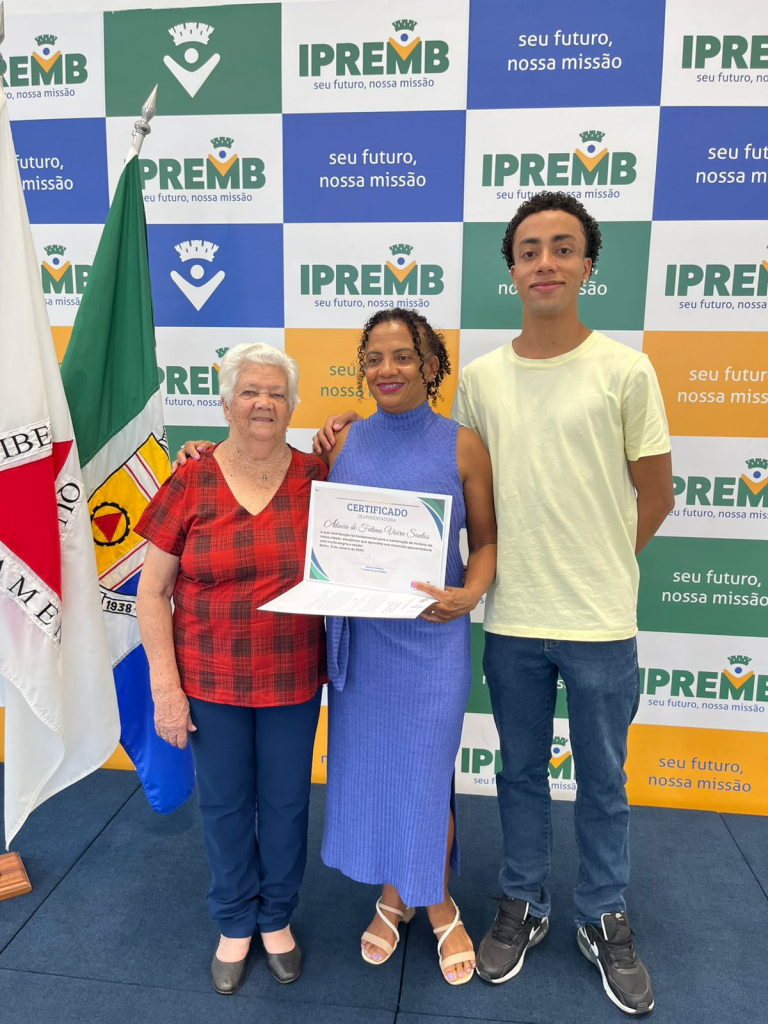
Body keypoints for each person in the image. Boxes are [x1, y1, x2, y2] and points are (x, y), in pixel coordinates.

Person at [313, 193, 674, 1016]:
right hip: (508, 620)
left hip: (598, 620)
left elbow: (655, 496)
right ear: (511, 268)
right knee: (517, 774)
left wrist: (600, 566)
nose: (545, 262)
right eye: (529, 250)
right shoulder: (479, 382)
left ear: (587, 264)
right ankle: (522, 904)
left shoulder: (626, 370)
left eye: (562, 248)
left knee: (605, 780)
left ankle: (604, 916)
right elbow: (441, 492)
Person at [176, 309, 497, 987]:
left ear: (431, 365)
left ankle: (436, 901)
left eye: (403, 356)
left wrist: (470, 592)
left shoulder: (463, 444)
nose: (387, 369)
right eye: (374, 358)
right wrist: (202, 451)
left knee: (426, 775)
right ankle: (394, 896)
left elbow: (488, 541)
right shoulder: (342, 443)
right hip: (361, 644)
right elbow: (269, 469)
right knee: (378, 772)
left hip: (432, 640)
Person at [135, 343, 327, 996]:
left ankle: (276, 917)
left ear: (292, 405)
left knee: (287, 804)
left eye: (276, 393)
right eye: (250, 391)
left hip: (291, 677)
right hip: (210, 680)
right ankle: (234, 920)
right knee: (222, 805)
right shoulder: (190, 478)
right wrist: (166, 687)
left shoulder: (318, 477)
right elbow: (151, 592)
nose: (263, 402)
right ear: (225, 404)